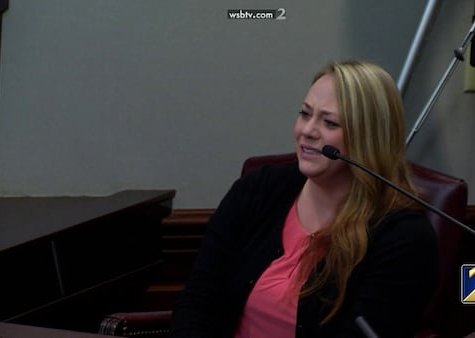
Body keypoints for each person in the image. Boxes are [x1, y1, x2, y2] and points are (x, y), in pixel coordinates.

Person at [170, 60, 439, 338]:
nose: (307, 131)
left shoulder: (403, 237)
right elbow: (197, 302)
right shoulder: (258, 189)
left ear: (368, 138)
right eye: (304, 113)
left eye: (329, 122)